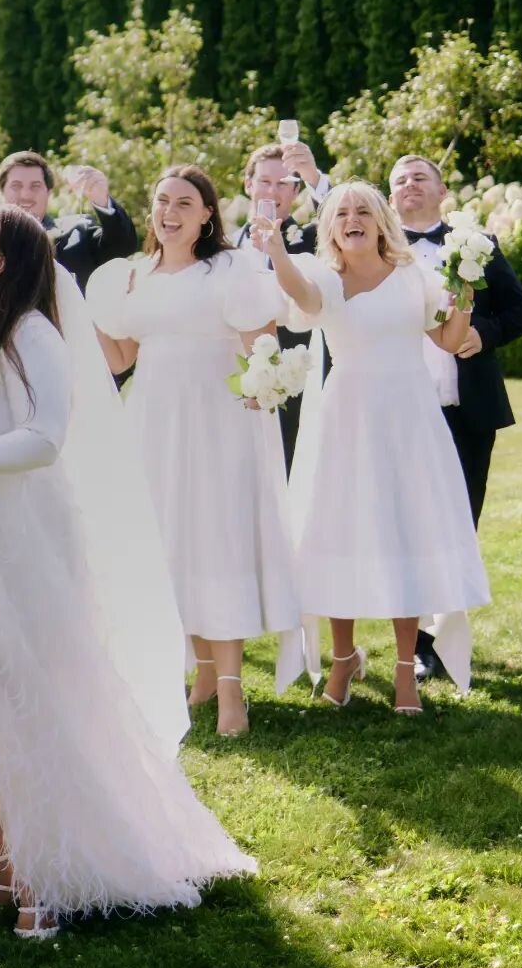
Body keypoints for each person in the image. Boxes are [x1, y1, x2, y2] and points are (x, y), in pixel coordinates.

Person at [0, 208, 255, 934]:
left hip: (18, 541)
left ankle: (46, 871)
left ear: (3, 261)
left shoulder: (32, 335)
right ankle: (3, 863)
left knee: (27, 707)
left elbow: (43, 440)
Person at [259, 183, 491, 713]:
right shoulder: (324, 277)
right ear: (331, 227)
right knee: (343, 532)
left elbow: (450, 341)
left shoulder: (415, 275)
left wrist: (466, 295)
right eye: (342, 212)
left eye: (364, 209)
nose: (353, 218)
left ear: (382, 220)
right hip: (349, 419)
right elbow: (302, 297)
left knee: (404, 531)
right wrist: (276, 254)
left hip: (410, 418)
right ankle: (344, 658)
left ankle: (407, 665)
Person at [89, 165, 299, 737]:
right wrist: (83, 316)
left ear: (208, 213)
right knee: (169, 540)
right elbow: (120, 358)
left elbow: (263, 343)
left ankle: (231, 688)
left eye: (185, 201)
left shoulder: (229, 268)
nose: (170, 211)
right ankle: (201, 671)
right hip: (154, 420)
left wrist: (263, 390)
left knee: (215, 540)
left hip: (217, 420)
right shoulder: (136, 276)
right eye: (162, 200)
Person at [385, 155, 522, 677]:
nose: (410, 186)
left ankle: (445, 636)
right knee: (407, 525)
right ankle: (419, 646)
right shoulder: (380, 253)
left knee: (459, 522)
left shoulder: (477, 244)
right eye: (400, 180)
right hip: (400, 410)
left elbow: (519, 310)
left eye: (420, 177)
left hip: (466, 409)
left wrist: (482, 334)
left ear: (443, 189)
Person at [233, 141, 326, 474]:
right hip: (226, 378)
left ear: (296, 190)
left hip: (291, 381)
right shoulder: (223, 244)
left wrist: (314, 176)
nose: (272, 192)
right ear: (248, 185)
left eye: (283, 183)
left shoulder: (311, 239)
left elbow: (335, 215)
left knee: (287, 472)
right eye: (264, 182)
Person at [0, 153, 137, 289]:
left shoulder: (79, 232)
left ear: (49, 192)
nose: (26, 195)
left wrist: (101, 199)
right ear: (2, 192)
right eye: (16, 186)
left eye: (35, 186)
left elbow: (122, 246)